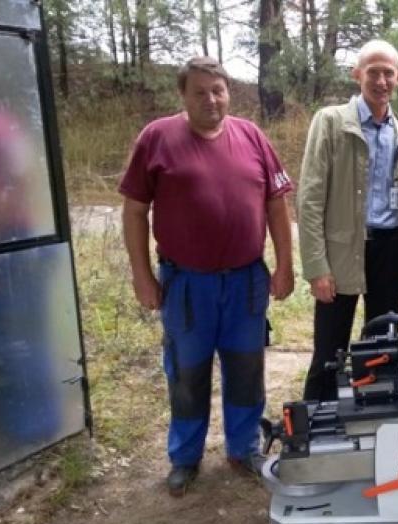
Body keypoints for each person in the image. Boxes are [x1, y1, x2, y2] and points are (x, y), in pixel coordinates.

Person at [119, 56, 294, 497]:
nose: (210, 100)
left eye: (218, 90)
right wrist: (142, 275)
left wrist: (285, 265)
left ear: (228, 92)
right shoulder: (156, 138)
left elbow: (276, 205)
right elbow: (135, 211)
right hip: (187, 284)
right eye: (199, 92)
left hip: (246, 281)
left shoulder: (251, 136)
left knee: (246, 367)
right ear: (183, 95)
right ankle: (185, 457)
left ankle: (243, 448)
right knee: (187, 371)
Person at [297, 39, 398, 401]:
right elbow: (310, 198)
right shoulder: (331, 123)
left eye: (388, 73)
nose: (381, 81)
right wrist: (317, 267)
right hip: (342, 250)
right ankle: (317, 418)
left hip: (390, 251)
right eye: (373, 72)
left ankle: (374, 417)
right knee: (329, 349)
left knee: (383, 346)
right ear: (357, 75)